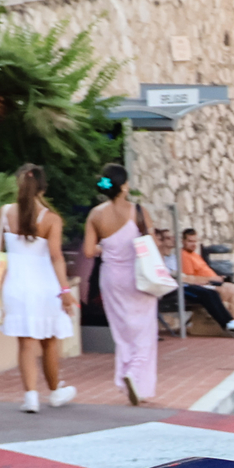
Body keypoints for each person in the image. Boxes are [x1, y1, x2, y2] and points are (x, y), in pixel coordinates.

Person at [0, 163, 77, 412]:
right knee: (50, 340)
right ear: (43, 188)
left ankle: (30, 396)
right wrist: (65, 291)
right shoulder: (50, 219)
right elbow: (56, 257)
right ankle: (55, 392)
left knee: (26, 343)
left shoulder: (5, 212)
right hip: (44, 285)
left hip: (15, 284)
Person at [82, 162, 163, 405]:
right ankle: (134, 376)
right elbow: (152, 245)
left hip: (111, 278)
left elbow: (88, 251)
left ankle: (128, 378)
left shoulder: (96, 214)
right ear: (125, 185)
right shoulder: (138, 211)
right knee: (145, 330)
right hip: (138, 276)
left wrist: (107, 248)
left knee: (122, 332)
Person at [151, 229, 234, 333]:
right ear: (159, 241)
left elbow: (182, 276)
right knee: (208, 294)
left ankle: (231, 322)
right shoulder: (157, 258)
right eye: (167, 238)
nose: (172, 240)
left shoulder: (172, 258)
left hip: (183, 286)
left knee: (211, 293)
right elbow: (180, 277)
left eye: (172, 237)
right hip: (172, 290)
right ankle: (228, 323)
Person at [176, 227, 234, 326]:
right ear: (183, 241)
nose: (193, 244)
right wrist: (212, 279)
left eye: (195, 241)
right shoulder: (184, 255)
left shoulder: (194, 255)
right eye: (190, 241)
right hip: (206, 284)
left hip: (215, 280)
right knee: (231, 290)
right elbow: (190, 279)